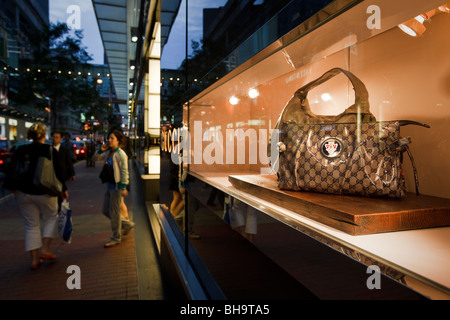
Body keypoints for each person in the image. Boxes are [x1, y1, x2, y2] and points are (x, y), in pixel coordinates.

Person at [4, 123, 68, 269]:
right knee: (51, 216)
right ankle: (45, 248)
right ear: (44, 136)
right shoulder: (50, 150)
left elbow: (12, 169)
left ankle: (34, 259)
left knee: (31, 225)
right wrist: (63, 189)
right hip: (45, 191)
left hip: (24, 193)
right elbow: (60, 172)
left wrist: (14, 187)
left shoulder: (21, 149)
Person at [94, 130, 134, 247]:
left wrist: (123, 187)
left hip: (116, 187)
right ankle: (127, 224)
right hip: (109, 186)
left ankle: (116, 237)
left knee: (115, 213)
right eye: (109, 138)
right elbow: (95, 159)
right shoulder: (109, 152)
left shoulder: (121, 154)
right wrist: (100, 150)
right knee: (105, 210)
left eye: (112, 138)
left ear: (118, 140)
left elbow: (124, 171)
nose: (109, 140)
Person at [52, 131, 75, 210]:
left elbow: (69, 162)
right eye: (54, 137)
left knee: (61, 189)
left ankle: (60, 207)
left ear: (60, 139)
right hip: (52, 174)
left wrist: (72, 173)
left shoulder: (64, 149)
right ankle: (58, 206)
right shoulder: (50, 149)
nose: (55, 139)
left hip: (62, 174)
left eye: (57, 137)